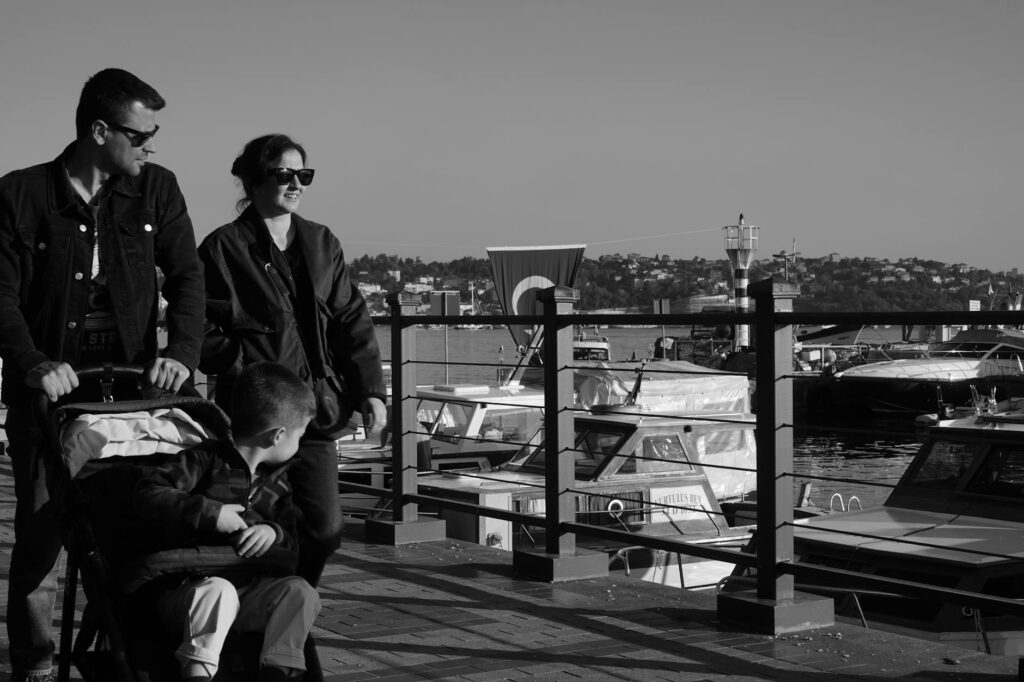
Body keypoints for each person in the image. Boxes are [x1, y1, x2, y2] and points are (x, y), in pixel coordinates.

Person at [0, 68, 204, 682]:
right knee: (42, 536)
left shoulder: (157, 191)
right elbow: (1, 297)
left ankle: (132, 648)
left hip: (134, 393)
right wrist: (34, 365)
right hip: (49, 397)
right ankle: (36, 663)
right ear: (99, 130)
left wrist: (182, 353)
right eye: (141, 135)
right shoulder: (21, 196)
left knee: (141, 523)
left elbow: (189, 278)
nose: (150, 148)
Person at [199, 134, 387, 586]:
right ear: (254, 179)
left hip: (316, 413)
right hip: (255, 416)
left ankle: (291, 603)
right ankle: (256, 617)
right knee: (246, 528)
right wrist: (243, 361)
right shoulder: (222, 248)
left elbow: (350, 320)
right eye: (284, 174)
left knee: (325, 530)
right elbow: (198, 329)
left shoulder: (322, 242)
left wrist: (370, 391)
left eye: (304, 174)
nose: (296, 183)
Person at [131, 362, 321, 682]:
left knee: (300, 592)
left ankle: (279, 671)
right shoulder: (204, 459)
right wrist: (209, 513)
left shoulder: (279, 485)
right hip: (188, 592)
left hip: (248, 594)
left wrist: (272, 532)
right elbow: (147, 493)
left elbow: (292, 540)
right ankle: (197, 674)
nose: (300, 442)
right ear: (277, 436)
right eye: (300, 434)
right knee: (219, 591)